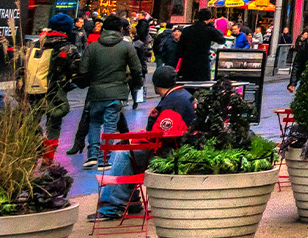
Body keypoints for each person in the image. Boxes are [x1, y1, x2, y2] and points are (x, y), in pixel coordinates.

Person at [91, 66, 196, 222]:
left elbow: (161, 135)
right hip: (181, 146)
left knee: (123, 153)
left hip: (171, 150)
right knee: (129, 152)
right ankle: (130, 201)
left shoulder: (173, 102)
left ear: (155, 84)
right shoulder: (182, 95)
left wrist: (135, 140)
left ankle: (111, 206)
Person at [75, 15, 141, 169]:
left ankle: (92, 155)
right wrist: (136, 84)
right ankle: (104, 158)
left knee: (95, 122)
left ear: (103, 29)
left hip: (96, 92)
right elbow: (136, 69)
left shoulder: (93, 47)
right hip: (117, 92)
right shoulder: (126, 47)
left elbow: (83, 71)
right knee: (110, 125)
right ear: (121, 29)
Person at [23, 29, 76, 143]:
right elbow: (76, 68)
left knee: (31, 123)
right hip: (54, 92)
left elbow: (22, 68)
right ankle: (48, 157)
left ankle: (35, 149)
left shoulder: (33, 44)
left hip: (32, 90)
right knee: (53, 125)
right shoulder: (66, 47)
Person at [174, 9, 223, 83]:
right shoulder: (209, 30)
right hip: (202, 63)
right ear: (209, 19)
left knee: (187, 86)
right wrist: (210, 26)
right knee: (202, 86)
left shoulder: (187, 30)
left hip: (187, 63)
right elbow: (221, 40)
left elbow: (180, 49)